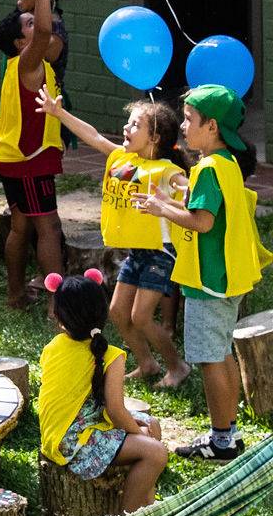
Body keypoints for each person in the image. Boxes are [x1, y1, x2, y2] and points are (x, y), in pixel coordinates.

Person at [139, 83, 272, 461]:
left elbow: (202, 223)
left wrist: (161, 209)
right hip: (229, 278)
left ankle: (219, 441)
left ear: (212, 126)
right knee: (221, 353)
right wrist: (170, 200)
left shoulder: (209, 169)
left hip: (209, 282)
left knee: (210, 359)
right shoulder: (227, 163)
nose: (182, 125)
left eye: (189, 119)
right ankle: (227, 433)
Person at [39, 90, 188, 388]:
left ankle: (177, 367)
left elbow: (188, 191)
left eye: (134, 125)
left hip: (161, 253)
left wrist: (181, 194)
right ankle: (147, 363)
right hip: (137, 253)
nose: (126, 128)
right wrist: (59, 114)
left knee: (142, 317)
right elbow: (93, 136)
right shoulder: (123, 158)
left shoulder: (166, 171)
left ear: (154, 137)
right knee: (118, 312)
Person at [38, 269, 169, 511]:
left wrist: (140, 432)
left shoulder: (53, 346)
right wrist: (140, 435)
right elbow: (117, 411)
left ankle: (147, 506)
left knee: (152, 424)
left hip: (62, 434)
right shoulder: (111, 356)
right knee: (156, 452)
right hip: (74, 442)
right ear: (102, 311)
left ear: (59, 315)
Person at [0, 0, 64, 307]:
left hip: (11, 158)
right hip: (31, 160)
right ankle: (57, 305)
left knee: (21, 226)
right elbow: (48, 30)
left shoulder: (13, 68)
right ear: (22, 42)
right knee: (48, 226)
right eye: (29, 25)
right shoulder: (28, 62)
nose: (37, 25)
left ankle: (15, 294)